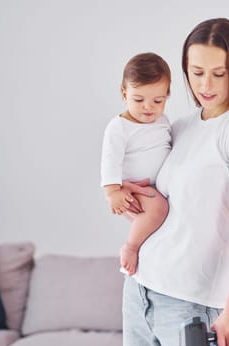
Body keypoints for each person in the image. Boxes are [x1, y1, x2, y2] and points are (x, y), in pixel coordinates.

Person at [120, 18, 229, 346]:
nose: (206, 84)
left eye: (219, 73)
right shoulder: (180, 126)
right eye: (196, 72)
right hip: (140, 291)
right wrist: (126, 195)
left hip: (191, 305)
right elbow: (167, 207)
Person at [100, 52, 171, 276]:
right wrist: (112, 192)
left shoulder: (163, 121)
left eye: (157, 101)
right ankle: (131, 247)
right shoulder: (119, 127)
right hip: (134, 188)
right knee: (158, 209)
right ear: (124, 94)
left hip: (154, 187)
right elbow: (110, 160)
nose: (148, 107)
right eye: (139, 100)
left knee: (162, 217)